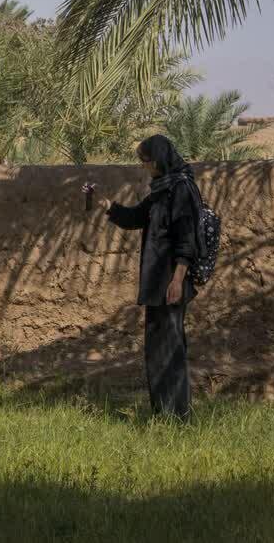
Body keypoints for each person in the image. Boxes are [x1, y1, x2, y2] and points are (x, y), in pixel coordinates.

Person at [83, 135, 203, 419]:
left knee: (171, 349)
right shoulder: (161, 190)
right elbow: (135, 217)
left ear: (159, 159)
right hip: (157, 282)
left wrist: (177, 281)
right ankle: (163, 413)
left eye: (146, 161)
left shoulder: (182, 189)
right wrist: (106, 204)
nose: (144, 166)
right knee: (157, 349)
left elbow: (186, 241)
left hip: (172, 282)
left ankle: (178, 415)